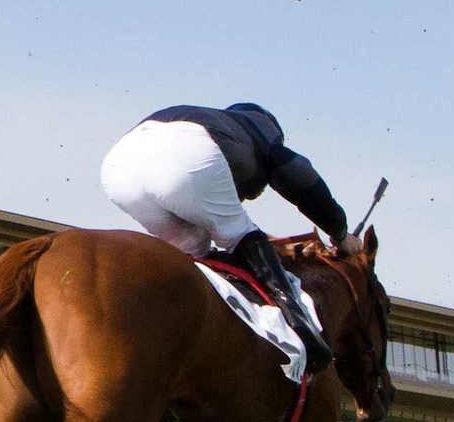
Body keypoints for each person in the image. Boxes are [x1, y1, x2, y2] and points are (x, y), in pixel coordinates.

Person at [98, 102, 351, 372]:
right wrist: (340, 232)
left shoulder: (218, 123)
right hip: (183, 155)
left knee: (194, 254)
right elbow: (299, 175)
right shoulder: (262, 130)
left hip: (118, 169)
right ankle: (304, 334)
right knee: (240, 233)